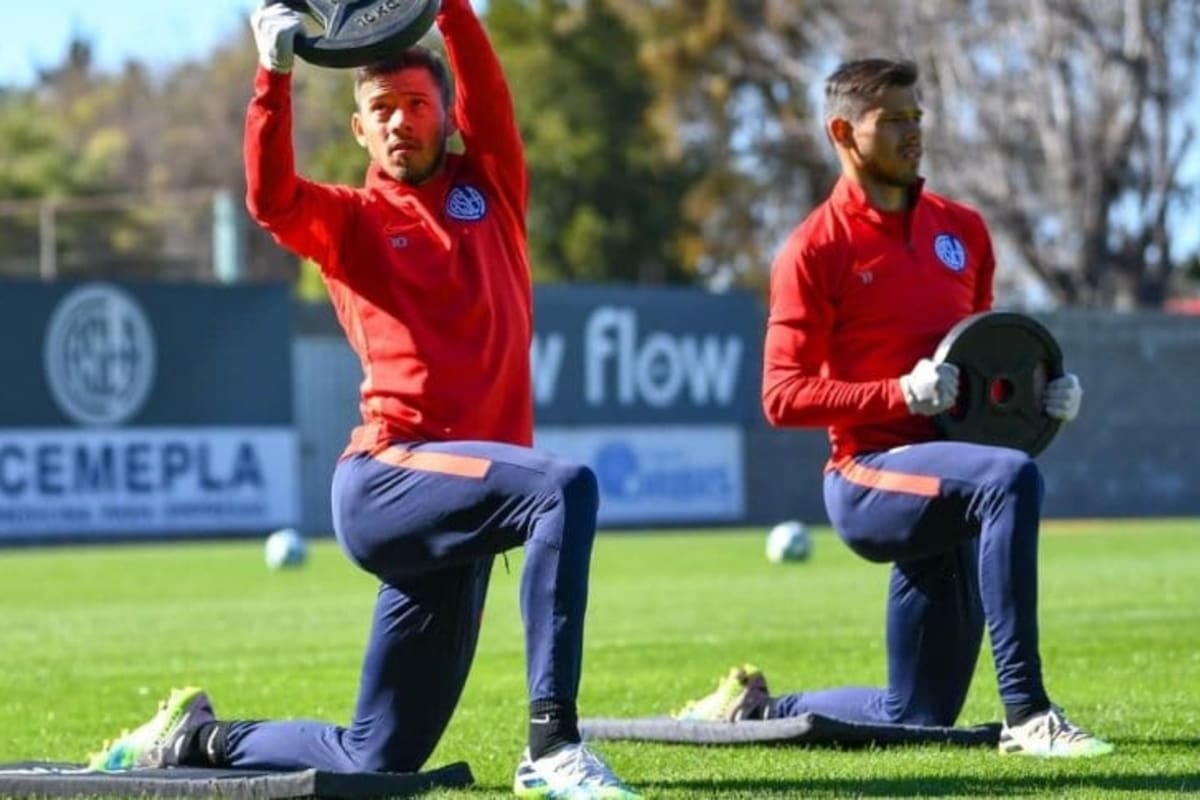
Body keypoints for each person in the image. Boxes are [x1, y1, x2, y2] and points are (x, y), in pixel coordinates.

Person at [84, 2, 641, 797]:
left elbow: (489, 89)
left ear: (447, 118)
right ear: (358, 129)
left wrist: (447, 7)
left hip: (461, 513)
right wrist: (272, 77)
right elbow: (271, 199)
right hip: (386, 480)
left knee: (377, 759)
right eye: (381, 110)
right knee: (563, 488)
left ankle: (196, 737)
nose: (400, 123)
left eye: (417, 106)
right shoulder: (351, 220)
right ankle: (552, 746)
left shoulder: (492, 187)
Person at [672, 58, 1112, 758]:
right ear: (844, 132)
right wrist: (896, 394)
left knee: (916, 717)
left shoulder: (963, 231)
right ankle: (1029, 714)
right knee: (1009, 481)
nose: (915, 134)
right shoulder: (813, 249)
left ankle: (753, 710)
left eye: (919, 118)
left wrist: (1041, 398)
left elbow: (982, 374)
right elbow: (781, 396)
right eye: (895, 120)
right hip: (867, 477)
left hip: (950, 485)